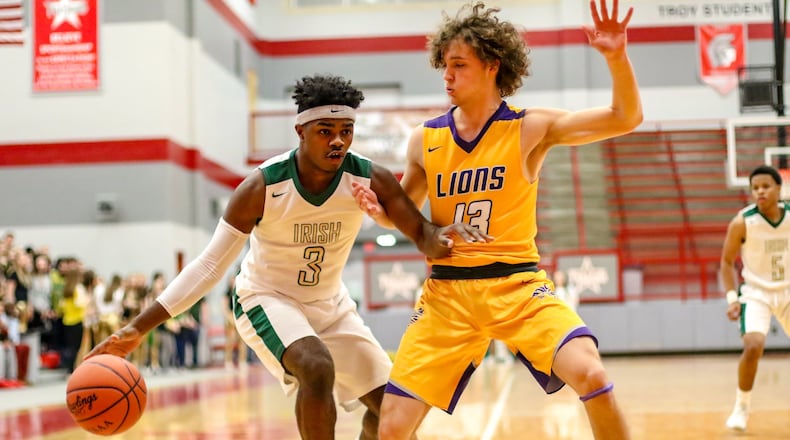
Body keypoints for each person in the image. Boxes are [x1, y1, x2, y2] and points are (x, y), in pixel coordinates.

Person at [87, 74, 489, 440]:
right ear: (300, 130)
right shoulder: (262, 186)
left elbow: (421, 233)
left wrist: (444, 237)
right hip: (266, 299)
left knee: (395, 415)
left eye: (346, 131)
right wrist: (137, 328)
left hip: (331, 306)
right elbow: (209, 266)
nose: (337, 141)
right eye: (325, 131)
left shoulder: (369, 177)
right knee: (316, 367)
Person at [353, 1, 641, 438]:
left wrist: (616, 57)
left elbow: (626, 118)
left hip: (517, 286)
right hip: (446, 296)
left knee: (594, 377)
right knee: (391, 426)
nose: (447, 75)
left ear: (491, 65)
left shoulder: (530, 128)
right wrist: (380, 212)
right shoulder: (424, 139)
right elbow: (405, 217)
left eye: (458, 65)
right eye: (444, 66)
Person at [720, 164, 790, 432]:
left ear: (778, 189)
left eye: (765, 186)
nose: (760, 191)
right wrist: (731, 298)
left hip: (788, 288)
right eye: (755, 188)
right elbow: (726, 262)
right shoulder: (742, 222)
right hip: (756, 292)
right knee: (753, 345)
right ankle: (742, 406)